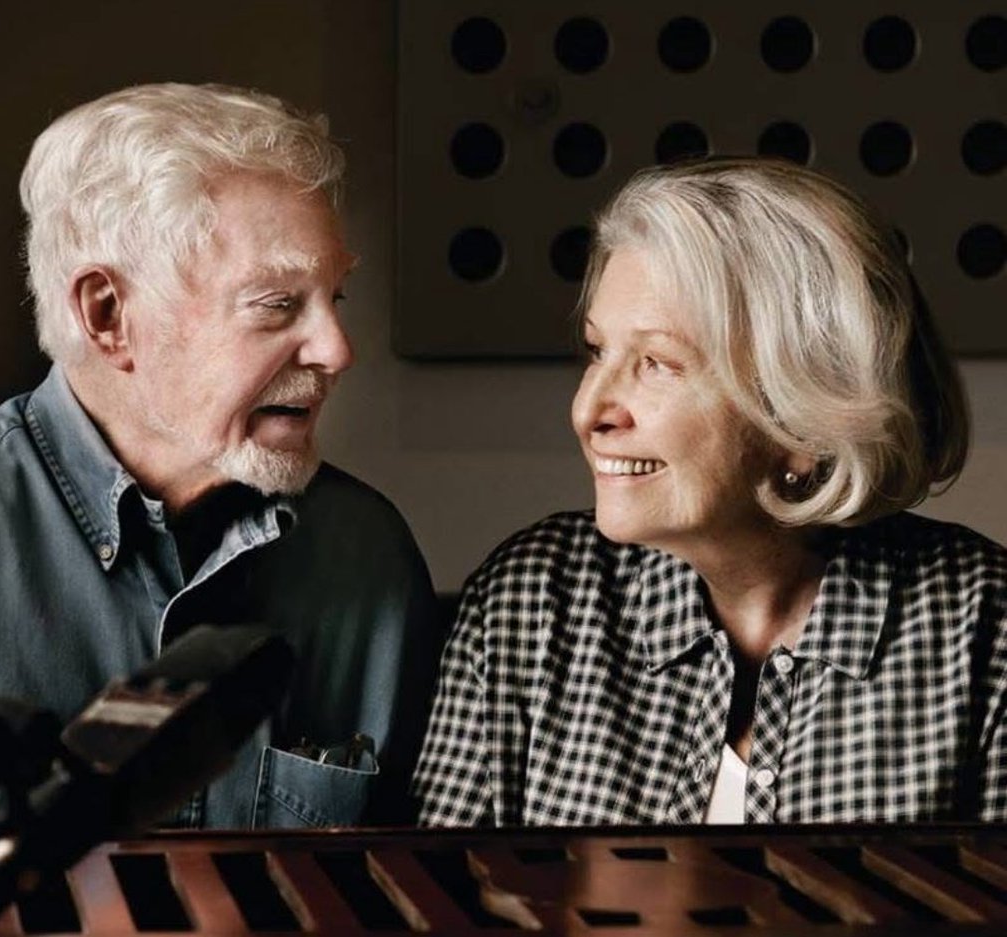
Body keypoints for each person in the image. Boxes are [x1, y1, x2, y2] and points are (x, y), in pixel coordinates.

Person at [0, 82, 439, 831]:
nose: (338, 350)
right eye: (277, 304)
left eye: (335, 299)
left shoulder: (368, 556)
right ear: (107, 315)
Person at [413, 157, 1007, 826]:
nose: (590, 410)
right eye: (595, 351)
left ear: (804, 414)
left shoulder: (982, 631)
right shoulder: (530, 602)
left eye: (657, 364)